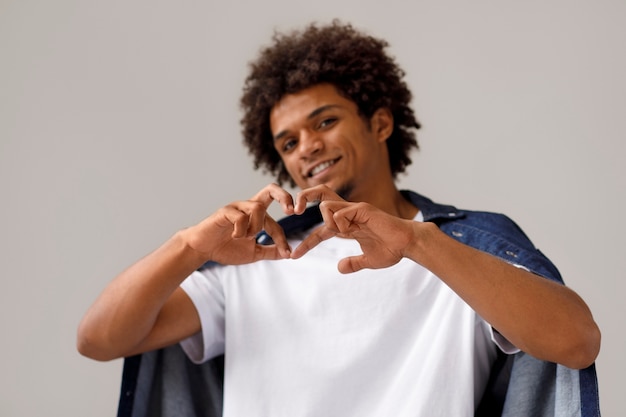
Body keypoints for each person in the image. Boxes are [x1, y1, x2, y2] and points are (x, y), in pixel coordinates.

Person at [77, 21, 601, 416]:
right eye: (288, 142)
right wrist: (188, 246)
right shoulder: (257, 262)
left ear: (380, 122)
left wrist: (419, 243)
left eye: (324, 121)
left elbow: (575, 342)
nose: (308, 148)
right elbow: (98, 340)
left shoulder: (457, 249)